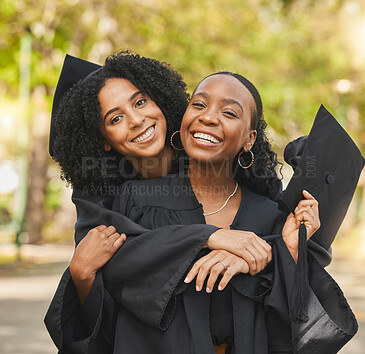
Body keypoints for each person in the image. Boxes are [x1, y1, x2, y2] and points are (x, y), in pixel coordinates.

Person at [46, 68, 325, 353]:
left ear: (249, 139)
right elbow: (119, 283)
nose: (136, 119)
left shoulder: (267, 214)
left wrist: (281, 252)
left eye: (229, 113)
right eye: (199, 104)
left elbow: (291, 323)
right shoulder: (131, 200)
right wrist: (208, 237)